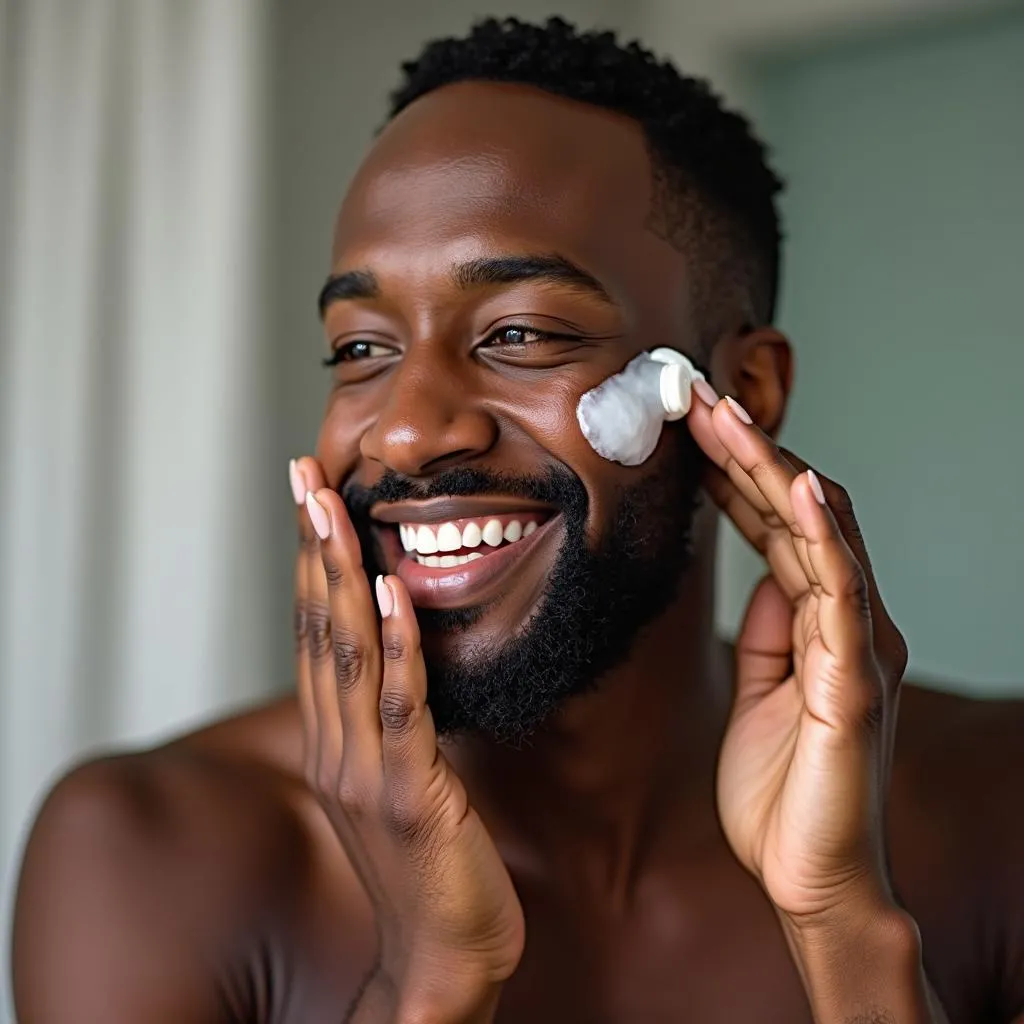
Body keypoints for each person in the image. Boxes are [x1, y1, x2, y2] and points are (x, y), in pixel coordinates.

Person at [11, 16, 1024, 1024]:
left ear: (742, 390)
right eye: (360, 349)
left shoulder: (996, 805)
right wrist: (425, 980)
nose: (405, 433)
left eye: (521, 333)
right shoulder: (149, 851)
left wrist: (844, 924)